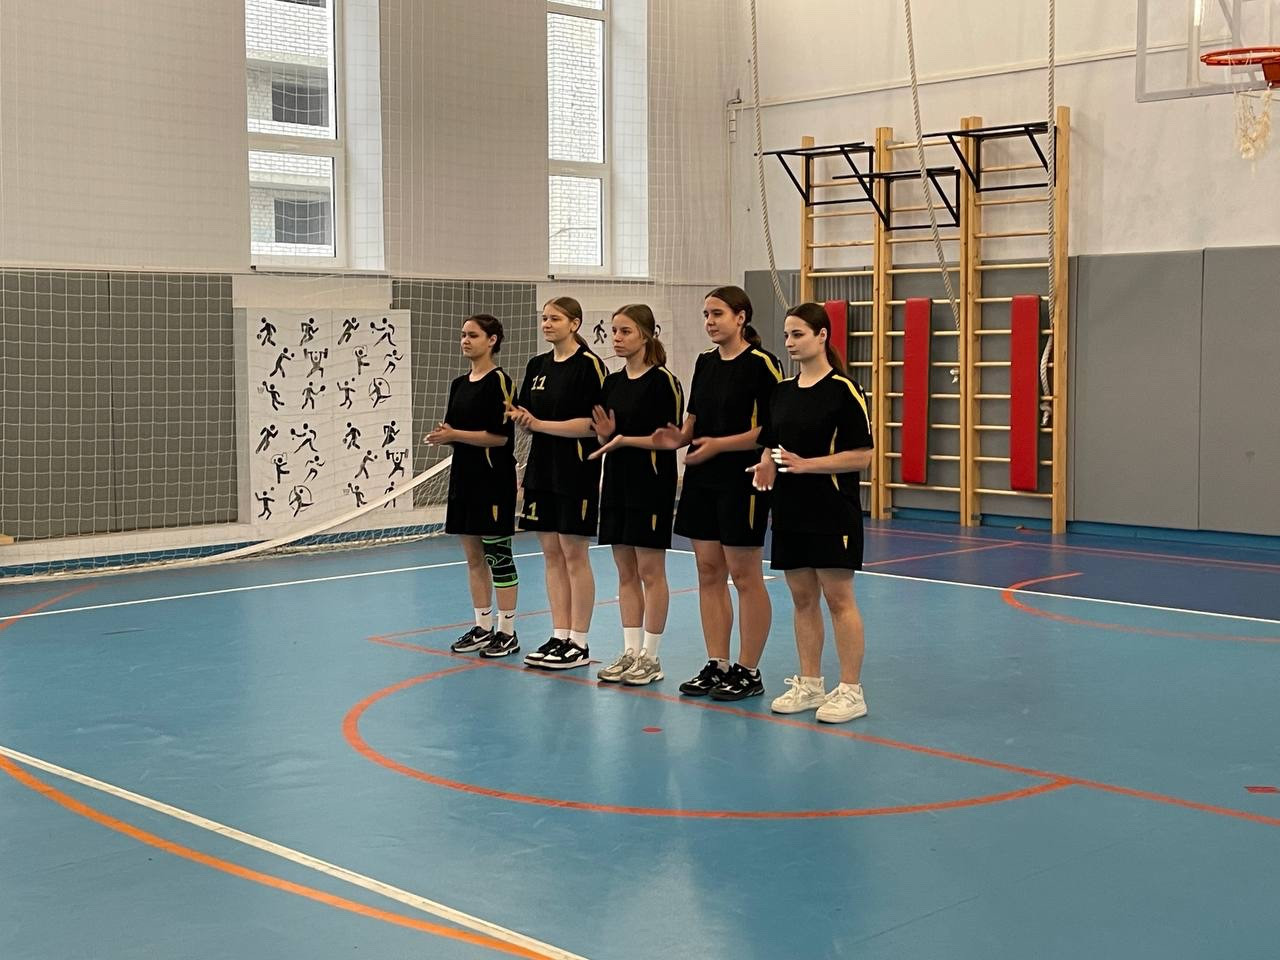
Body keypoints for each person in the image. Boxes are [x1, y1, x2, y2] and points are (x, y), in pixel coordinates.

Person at [652, 286, 783, 701]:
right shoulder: (704, 362)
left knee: (744, 575)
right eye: (706, 314)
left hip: (742, 478)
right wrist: (678, 437)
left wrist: (719, 445)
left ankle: (748, 670)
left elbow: (771, 428)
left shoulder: (763, 363)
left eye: (718, 314)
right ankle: (717, 663)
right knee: (708, 571)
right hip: (702, 477)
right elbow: (694, 420)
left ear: (741, 317)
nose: (709, 321)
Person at [748, 302, 873, 723]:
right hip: (789, 510)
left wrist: (808, 465)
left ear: (822, 336)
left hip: (832, 509)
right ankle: (810, 683)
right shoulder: (781, 392)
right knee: (802, 599)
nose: (789, 342)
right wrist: (767, 463)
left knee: (839, 599)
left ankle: (851, 690)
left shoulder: (844, 390)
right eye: (786, 335)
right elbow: (772, 443)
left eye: (798, 334)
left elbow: (863, 455)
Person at [508, 297, 607, 670]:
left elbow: (594, 425)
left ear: (574, 323)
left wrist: (540, 424)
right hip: (542, 469)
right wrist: (521, 419)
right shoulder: (537, 365)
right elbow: (527, 415)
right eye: (544, 318)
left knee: (573, 554)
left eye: (555, 318)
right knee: (550, 553)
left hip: (576, 470)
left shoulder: (589, 366)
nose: (547, 324)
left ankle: (579, 642)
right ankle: (559, 634)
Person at [588, 304, 684, 686]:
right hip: (616, 482)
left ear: (645, 335)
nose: (617, 338)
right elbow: (605, 435)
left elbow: (672, 438)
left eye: (625, 331)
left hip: (652, 483)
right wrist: (606, 434)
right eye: (614, 331)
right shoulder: (611, 383)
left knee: (650, 571)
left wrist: (625, 439)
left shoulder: (664, 382)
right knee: (625, 571)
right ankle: (630, 651)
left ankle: (651, 656)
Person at [426, 314, 522, 657]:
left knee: (498, 556)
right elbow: (456, 429)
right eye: (463, 335)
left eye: (473, 335)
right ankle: (482, 627)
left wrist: (455, 434)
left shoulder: (500, 382)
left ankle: (507, 631)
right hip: (463, 479)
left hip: (493, 480)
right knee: (473, 557)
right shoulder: (458, 384)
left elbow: (499, 437)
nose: (465, 340)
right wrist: (445, 435)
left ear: (492, 340)